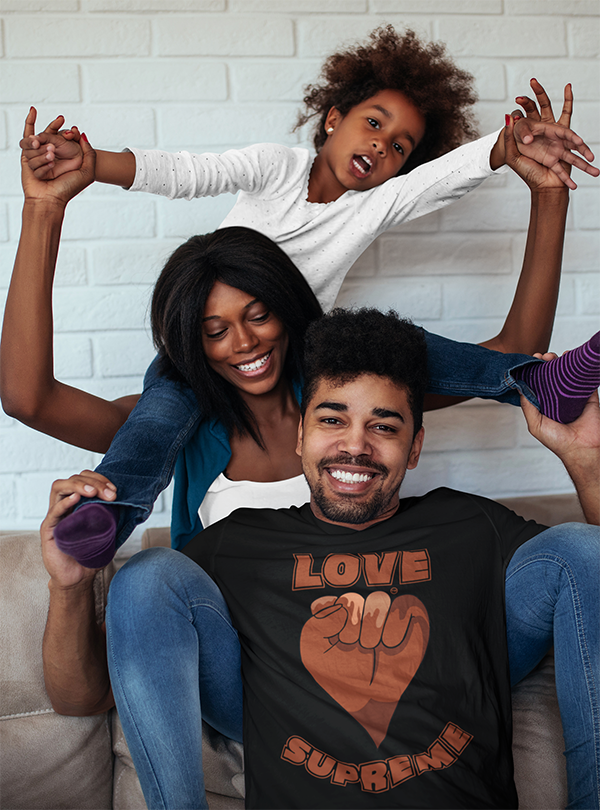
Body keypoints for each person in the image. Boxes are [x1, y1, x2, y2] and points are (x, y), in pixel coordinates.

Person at [17, 26, 600, 562]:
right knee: (155, 422)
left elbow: (438, 179)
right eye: (374, 124)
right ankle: (109, 514)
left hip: (312, 344)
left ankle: (530, 379)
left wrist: (504, 150)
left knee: (392, 342)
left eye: (400, 146)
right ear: (332, 118)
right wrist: (96, 165)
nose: (383, 146)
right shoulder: (276, 170)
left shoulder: (372, 220)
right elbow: (190, 172)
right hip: (191, 404)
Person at [41, 308, 600, 809]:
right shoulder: (237, 543)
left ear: (416, 445)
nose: (356, 445)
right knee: (146, 574)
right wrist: (69, 585)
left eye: (384, 426)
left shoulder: (469, 524)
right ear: (301, 435)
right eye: (333, 420)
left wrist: (585, 461)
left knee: (580, 546)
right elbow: (85, 697)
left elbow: (589, 593)